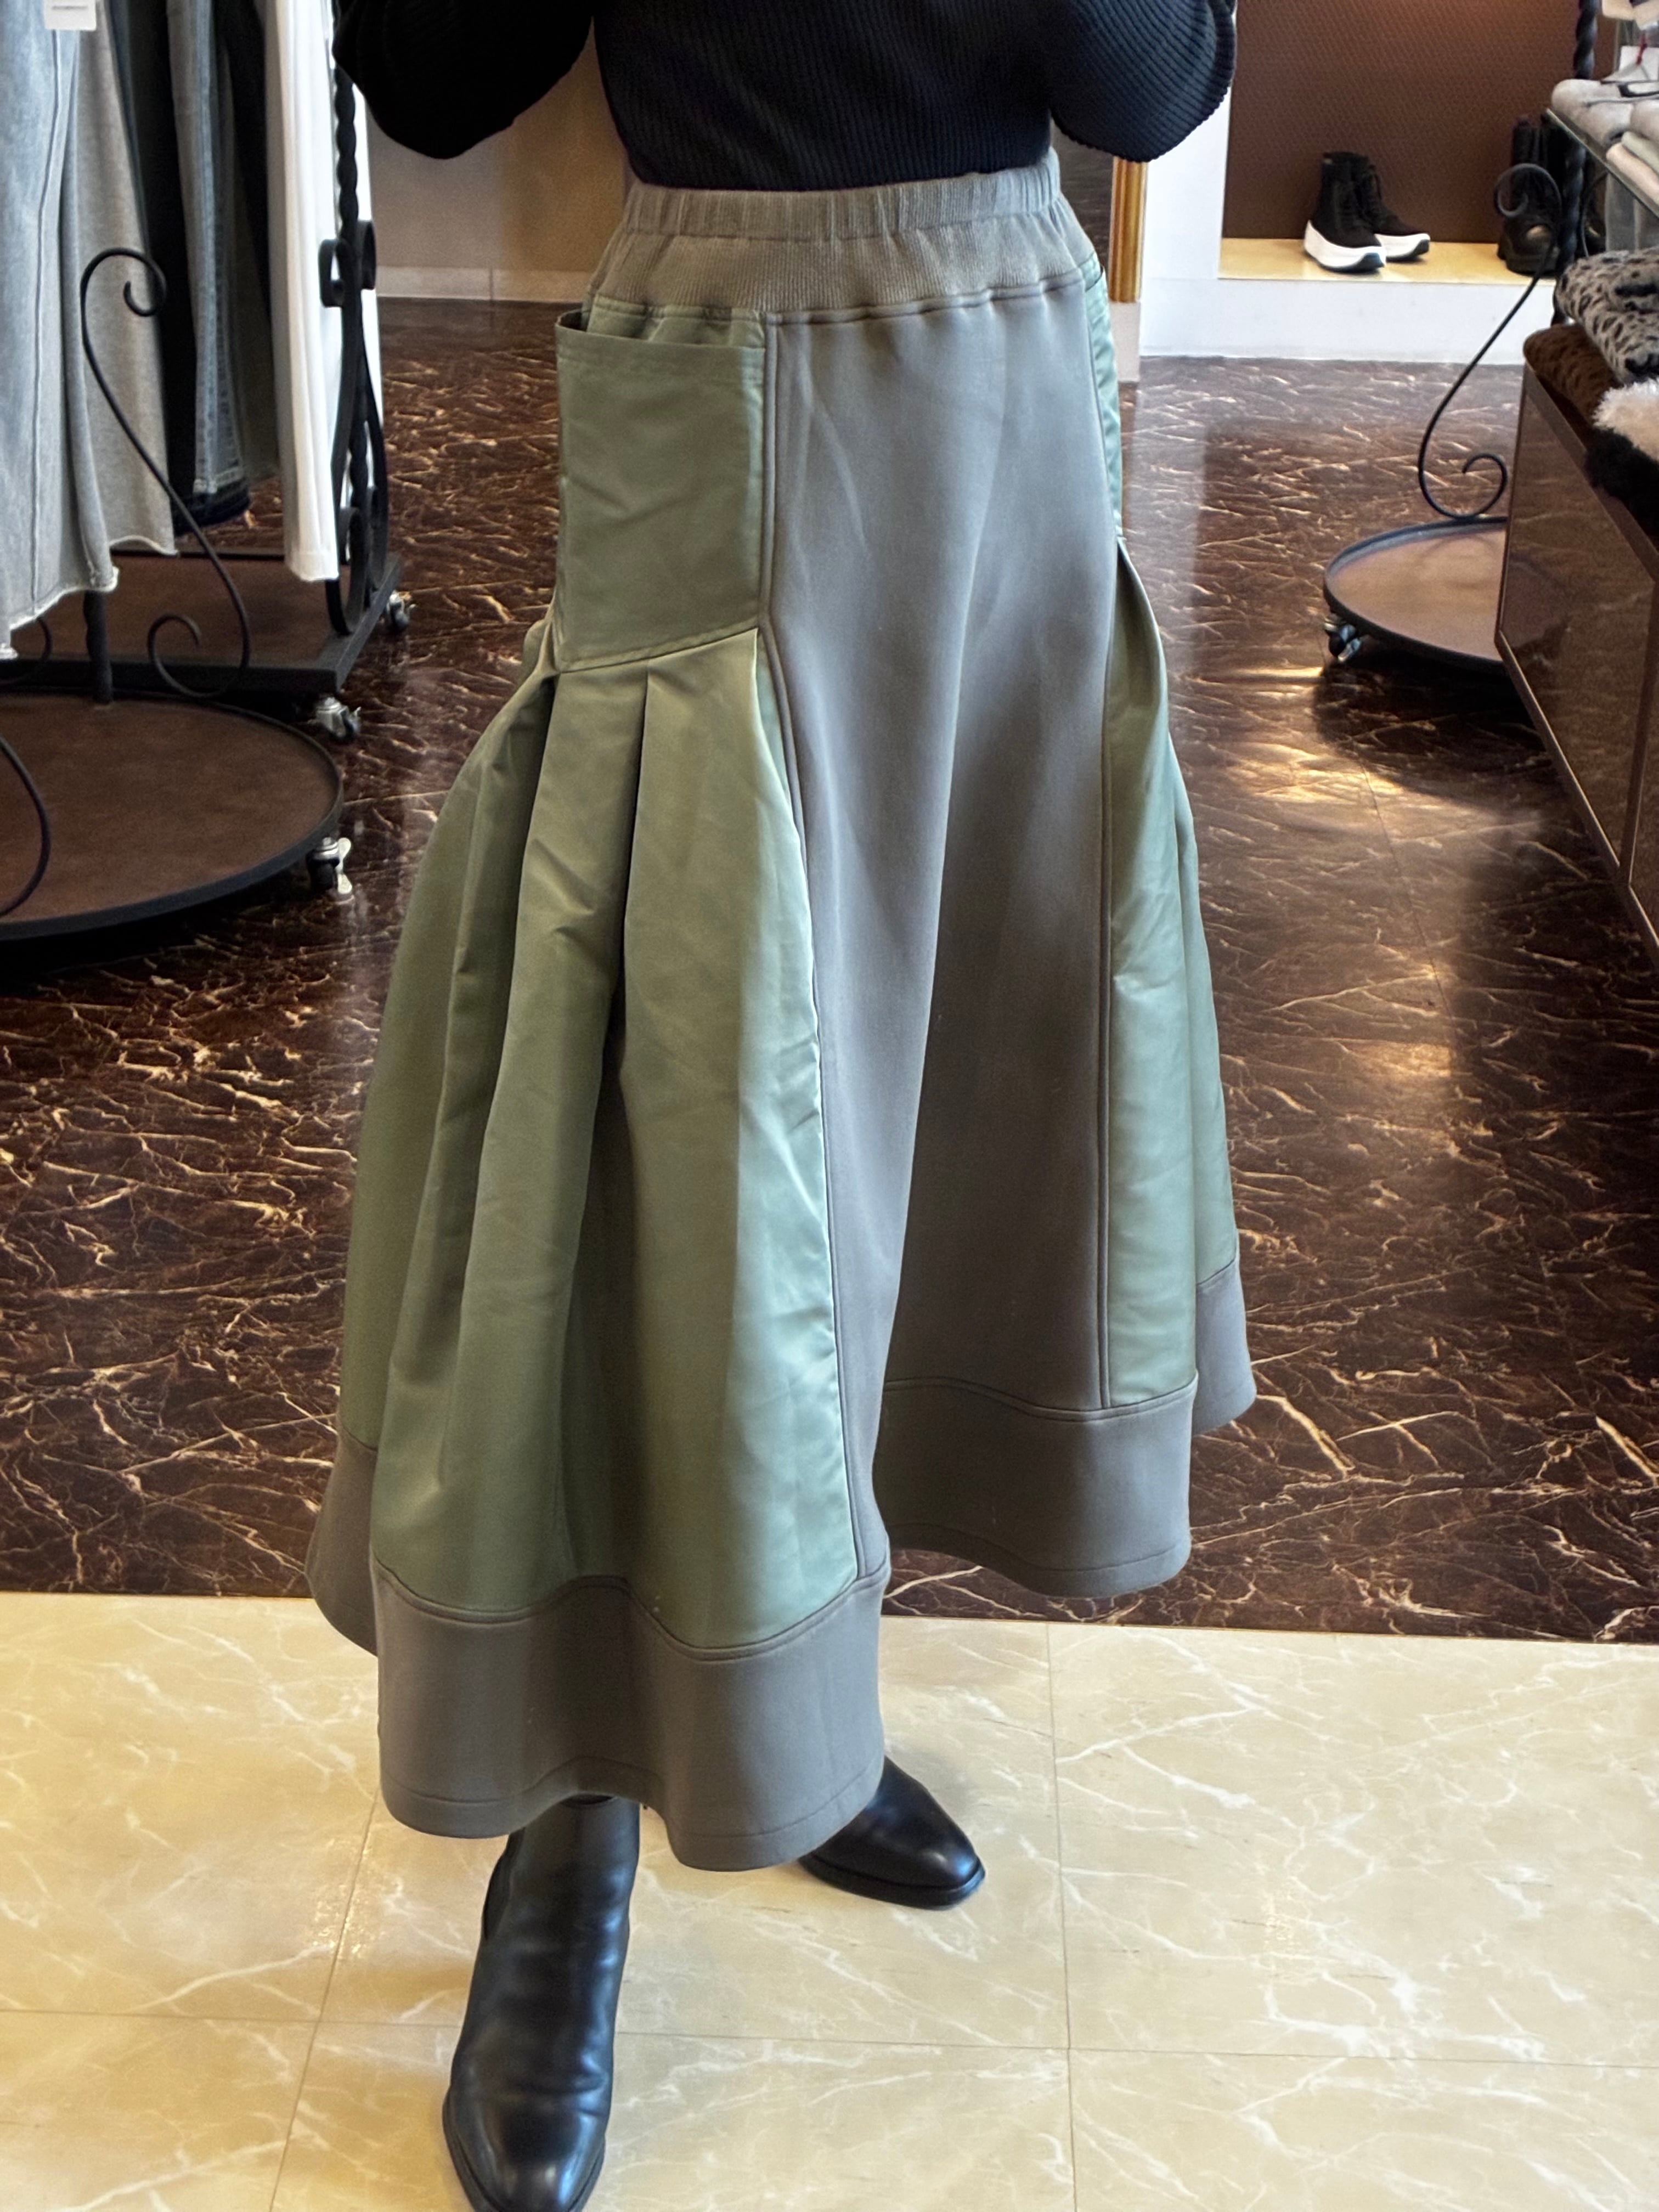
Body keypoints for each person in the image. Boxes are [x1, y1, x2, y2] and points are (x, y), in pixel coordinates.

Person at [306, 7, 1250, 2210]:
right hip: (720, 369)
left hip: (1010, 377)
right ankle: (569, 1825)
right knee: (665, 1106)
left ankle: (788, 1711)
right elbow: (431, 75)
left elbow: (1148, 86)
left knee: (932, 1079)